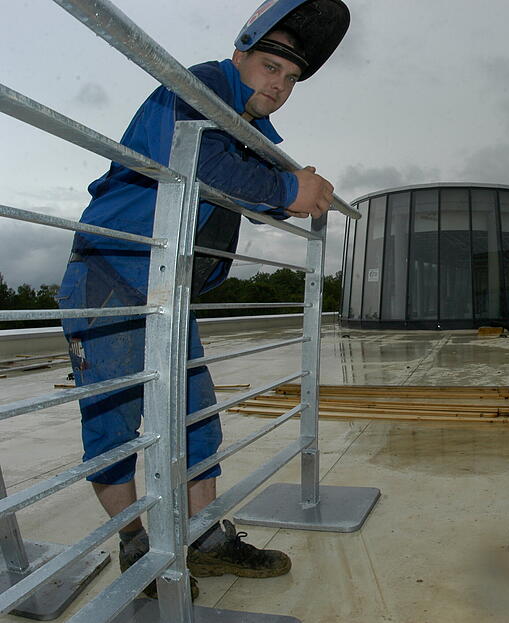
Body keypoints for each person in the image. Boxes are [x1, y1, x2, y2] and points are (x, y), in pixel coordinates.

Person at [57, 0, 350, 600]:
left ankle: (204, 538)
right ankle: (137, 543)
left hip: (172, 287)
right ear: (239, 54)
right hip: (112, 272)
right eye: (270, 66)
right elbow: (203, 163)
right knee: (115, 423)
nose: (279, 84)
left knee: (194, 417)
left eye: (291, 78)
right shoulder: (200, 85)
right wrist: (290, 186)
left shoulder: (252, 129)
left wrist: (293, 188)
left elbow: (258, 194)